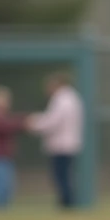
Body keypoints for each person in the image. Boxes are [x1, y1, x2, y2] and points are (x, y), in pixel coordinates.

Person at [27, 72, 84, 209]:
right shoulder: (72, 97)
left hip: (61, 146)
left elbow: (53, 121)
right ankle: (67, 203)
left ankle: (67, 204)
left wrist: (34, 124)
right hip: (68, 144)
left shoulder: (62, 99)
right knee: (65, 176)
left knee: (61, 177)